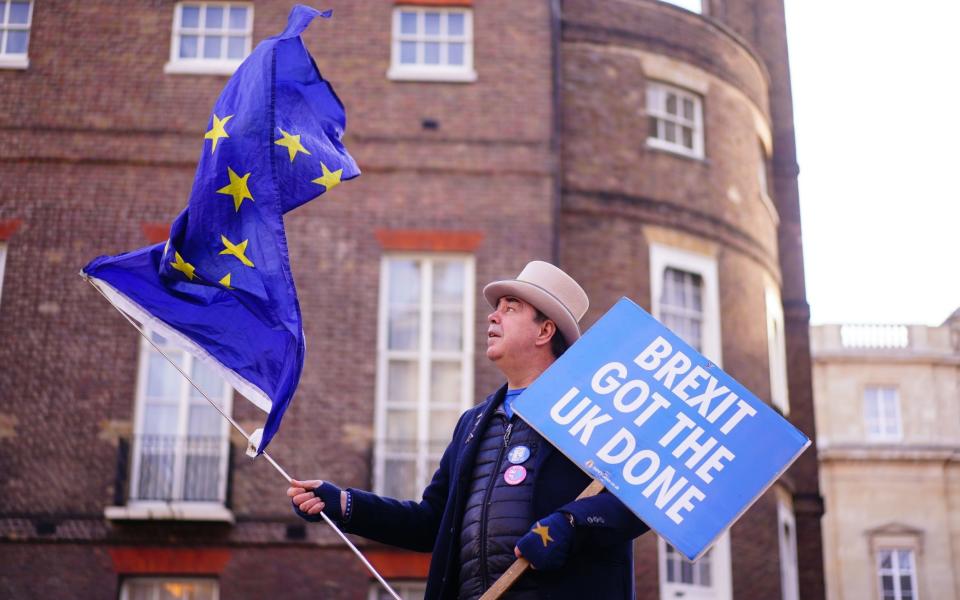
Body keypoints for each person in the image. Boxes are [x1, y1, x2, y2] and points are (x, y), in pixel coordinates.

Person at [288, 261, 650, 599]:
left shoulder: (595, 411)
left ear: (544, 330)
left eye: (510, 307)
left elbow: (643, 498)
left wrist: (570, 524)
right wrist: (346, 505)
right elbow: (431, 523)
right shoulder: (472, 423)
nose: (493, 315)